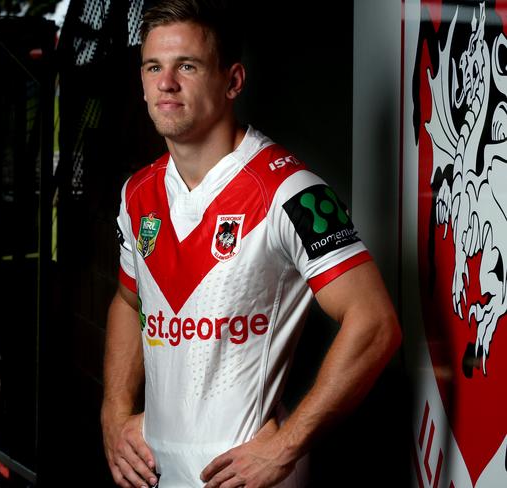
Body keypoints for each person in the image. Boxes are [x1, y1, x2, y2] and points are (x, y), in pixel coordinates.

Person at [100, 1, 402, 487]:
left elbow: (374, 324)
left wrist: (285, 445)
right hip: (157, 474)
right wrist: (114, 414)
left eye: (188, 67)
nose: (166, 83)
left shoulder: (293, 191)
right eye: (154, 66)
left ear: (233, 81)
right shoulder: (137, 193)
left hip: (247, 478)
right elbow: (127, 300)